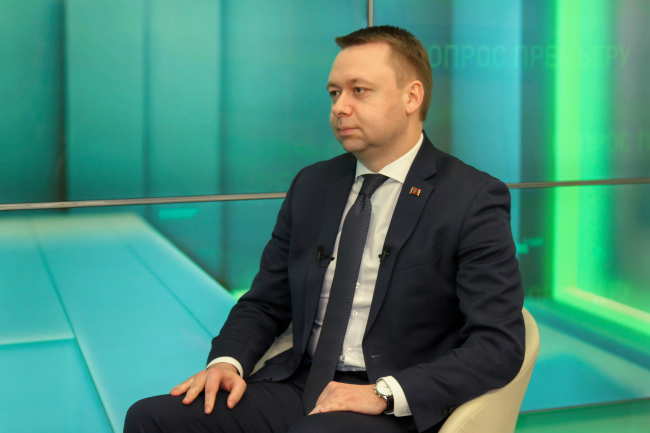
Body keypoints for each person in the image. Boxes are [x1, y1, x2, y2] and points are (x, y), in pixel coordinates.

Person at [125, 25, 525, 433]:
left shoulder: (471, 197)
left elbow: (498, 344)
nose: (339, 108)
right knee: (152, 418)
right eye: (334, 93)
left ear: (412, 97)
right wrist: (227, 362)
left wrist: (384, 394)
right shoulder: (312, 185)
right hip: (300, 384)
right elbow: (265, 303)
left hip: (391, 404)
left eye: (359, 91)